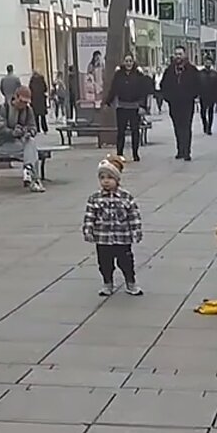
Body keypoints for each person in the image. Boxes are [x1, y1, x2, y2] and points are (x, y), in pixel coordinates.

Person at [82, 155, 144, 297]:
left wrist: (136, 231)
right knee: (105, 263)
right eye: (102, 178)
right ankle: (107, 283)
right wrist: (88, 230)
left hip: (122, 238)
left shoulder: (126, 197)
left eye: (109, 178)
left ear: (117, 179)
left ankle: (130, 282)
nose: (106, 181)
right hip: (103, 238)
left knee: (126, 262)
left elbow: (133, 215)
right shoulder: (95, 198)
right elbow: (90, 216)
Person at [0, 86, 44, 192]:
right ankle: (33, 177)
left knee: (30, 142)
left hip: (22, 143)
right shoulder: (4, 108)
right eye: (21, 101)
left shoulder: (28, 110)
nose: (23, 105)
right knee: (32, 149)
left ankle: (29, 172)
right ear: (15, 97)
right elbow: (1, 128)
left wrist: (29, 132)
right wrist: (13, 132)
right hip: (7, 143)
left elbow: (33, 127)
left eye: (26, 103)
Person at [160, 46, 202, 161]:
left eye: (180, 54)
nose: (178, 56)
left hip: (187, 103)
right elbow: (163, 85)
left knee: (186, 126)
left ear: (184, 55)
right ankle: (180, 150)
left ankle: (187, 151)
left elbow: (198, 84)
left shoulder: (192, 70)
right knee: (177, 127)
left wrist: (192, 95)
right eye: (176, 54)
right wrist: (167, 97)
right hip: (174, 103)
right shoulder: (169, 70)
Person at [108, 54, 152, 162]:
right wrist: (108, 101)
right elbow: (113, 88)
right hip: (122, 106)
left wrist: (143, 106)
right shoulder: (119, 74)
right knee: (121, 132)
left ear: (133, 62)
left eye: (130, 61)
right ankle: (120, 153)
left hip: (134, 107)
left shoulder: (138, 74)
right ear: (123, 62)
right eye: (126, 61)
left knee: (135, 131)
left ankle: (135, 153)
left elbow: (144, 90)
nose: (128, 63)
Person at [197, 61, 217, 136]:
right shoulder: (200, 74)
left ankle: (209, 128)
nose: (208, 64)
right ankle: (205, 125)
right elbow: (197, 84)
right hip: (203, 95)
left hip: (212, 95)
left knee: (210, 112)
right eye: (206, 62)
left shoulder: (215, 74)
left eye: (209, 63)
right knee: (203, 112)